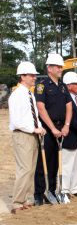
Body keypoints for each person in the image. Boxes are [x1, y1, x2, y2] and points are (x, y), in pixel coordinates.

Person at [34, 53, 72, 205]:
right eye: (57, 66)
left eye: (61, 66)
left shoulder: (63, 86)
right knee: (42, 162)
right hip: (47, 129)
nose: (60, 68)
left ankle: (52, 190)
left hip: (61, 128)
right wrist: (52, 128)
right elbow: (41, 108)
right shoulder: (42, 85)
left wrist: (66, 125)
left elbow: (69, 107)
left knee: (56, 163)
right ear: (49, 68)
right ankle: (38, 194)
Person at [8, 62, 46, 214]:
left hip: (32, 134)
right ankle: (17, 202)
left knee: (30, 169)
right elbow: (17, 120)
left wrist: (40, 126)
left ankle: (24, 199)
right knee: (24, 169)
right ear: (22, 76)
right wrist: (33, 129)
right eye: (31, 75)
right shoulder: (17, 95)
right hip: (23, 135)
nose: (34, 77)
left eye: (35, 75)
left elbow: (33, 115)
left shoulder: (29, 94)